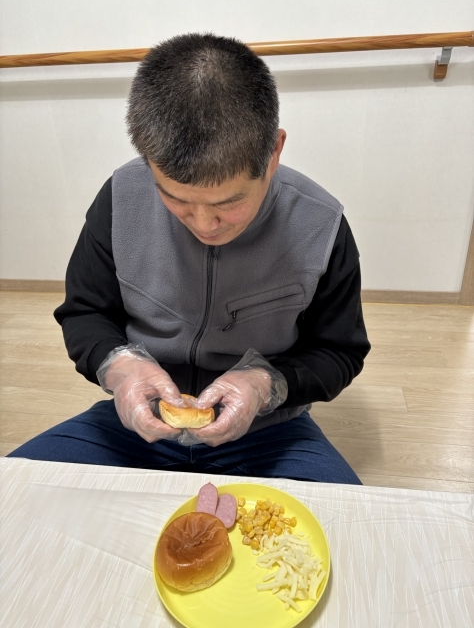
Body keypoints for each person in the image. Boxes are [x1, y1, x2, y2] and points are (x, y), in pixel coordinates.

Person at [8, 33, 370, 483]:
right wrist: (120, 368)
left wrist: (265, 385)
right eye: (176, 199)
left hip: (267, 432)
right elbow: (85, 312)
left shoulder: (321, 225)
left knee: (344, 519)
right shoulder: (122, 198)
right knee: (16, 491)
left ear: (274, 153)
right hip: (137, 427)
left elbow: (340, 351)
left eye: (228, 203)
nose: (204, 224)